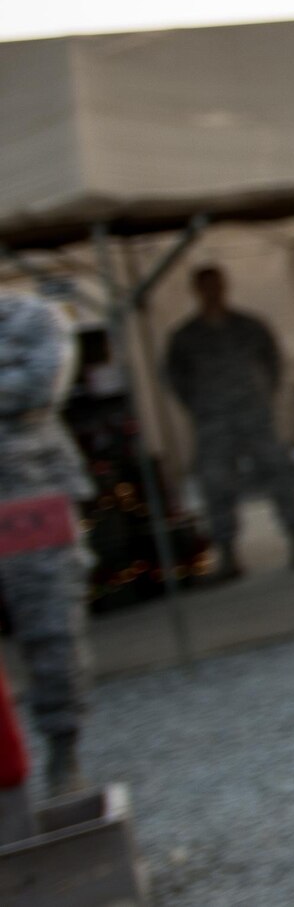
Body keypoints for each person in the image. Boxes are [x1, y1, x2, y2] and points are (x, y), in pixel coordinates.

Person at [164, 266, 294, 578]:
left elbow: (273, 362)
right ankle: (227, 554)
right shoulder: (186, 336)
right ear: (197, 290)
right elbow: (176, 378)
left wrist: (262, 396)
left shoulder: (249, 326)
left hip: (254, 416)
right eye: (206, 286)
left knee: (279, 475)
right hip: (214, 422)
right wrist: (201, 407)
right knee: (217, 486)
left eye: (217, 285)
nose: (213, 291)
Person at [0, 290, 93, 797]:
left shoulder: (34, 317)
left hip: (29, 503)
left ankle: (64, 753)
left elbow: (42, 386)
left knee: (52, 628)